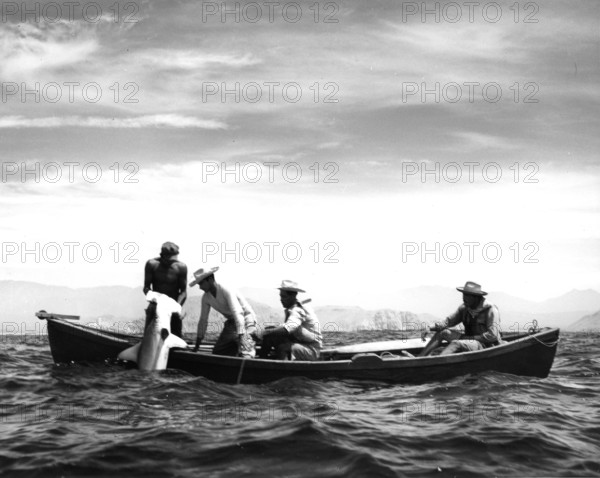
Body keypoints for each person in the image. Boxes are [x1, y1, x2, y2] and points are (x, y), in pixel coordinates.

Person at [419, 281, 500, 356]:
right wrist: (429, 328)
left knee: (456, 343)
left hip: (485, 346)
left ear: (476, 297)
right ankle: (419, 359)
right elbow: (448, 322)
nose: (464, 298)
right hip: (468, 341)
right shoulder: (464, 308)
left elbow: (492, 336)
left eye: (467, 295)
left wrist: (468, 338)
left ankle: (437, 362)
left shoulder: (490, 310)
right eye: (464, 294)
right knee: (443, 332)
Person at [191, 267, 257, 358]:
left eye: (201, 283)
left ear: (210, 280)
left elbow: (238, 312)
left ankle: (246, 351)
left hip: (246, 318)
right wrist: (197, 345)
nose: (200, 287)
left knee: (246, 350)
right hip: (231, 322)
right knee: (219, 352)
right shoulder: (206, 298)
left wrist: (242, 336)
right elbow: (203, 320)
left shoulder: (225, 289)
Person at [256, 280, 322, 361]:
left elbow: (288, 328)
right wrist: (269, 332)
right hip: (300, 344)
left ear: (292, 296)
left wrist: (262, 333)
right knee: (270, 336)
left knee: (283, 347)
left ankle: (282, 370)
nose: (281, 299)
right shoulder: (291, 309)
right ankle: (262, 361)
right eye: (280, 296)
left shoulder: (298, 310)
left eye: (284, 297)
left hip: (311, 350)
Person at [143, 241, 188, 338]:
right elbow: (146, 288)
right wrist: (156, 299)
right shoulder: (152, 264)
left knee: (175, 338)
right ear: (162, 256)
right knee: (151, 338)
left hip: (173, 308)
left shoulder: (181, 267)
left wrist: (176, 306)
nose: (172, 262)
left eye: (174, 260)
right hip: (156, 305)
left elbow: (183, 292)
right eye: (169, 260)